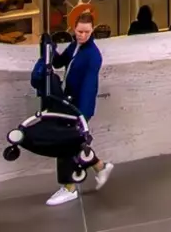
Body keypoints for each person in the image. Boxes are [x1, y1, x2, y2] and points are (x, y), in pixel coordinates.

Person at [46, 11, 113, 205]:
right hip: (70, 102)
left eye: (86, 32)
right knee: (74, 144)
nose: (82, 35)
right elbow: (60, 62)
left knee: (67, 144)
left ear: (92, 31)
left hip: (80, 107)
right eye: (79, 31)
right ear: (74, 29)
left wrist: (81, 115)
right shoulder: (75, 46)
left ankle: (70, 187)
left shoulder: (93, 56)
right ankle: (100, 167)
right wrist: (50, 47)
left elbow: (89, 87)